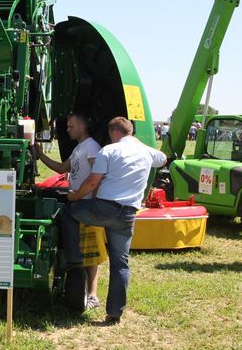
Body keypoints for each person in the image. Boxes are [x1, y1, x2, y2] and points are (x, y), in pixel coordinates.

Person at [63, 117, 167, 324]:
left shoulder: (108, 151)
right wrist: (139, 144)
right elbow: (163, 158)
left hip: (104, 208)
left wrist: (73, 198)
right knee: (120, 264)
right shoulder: (146, 152)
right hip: (127, 215)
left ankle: (75, 262)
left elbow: (92, 183)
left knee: (69, 213)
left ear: (114, 133)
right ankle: (114, 313)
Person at [35, 113, 104, 308]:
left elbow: (97, 176)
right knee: (83, 248)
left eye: (71, 126)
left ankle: (93, 295)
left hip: (87, 202)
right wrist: (40, 155)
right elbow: (61, 168)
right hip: (78, 201)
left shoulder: (92, 147)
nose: (67, 129)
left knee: (91, 253)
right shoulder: (78, 148)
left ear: (82, 127)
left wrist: (92, 199)